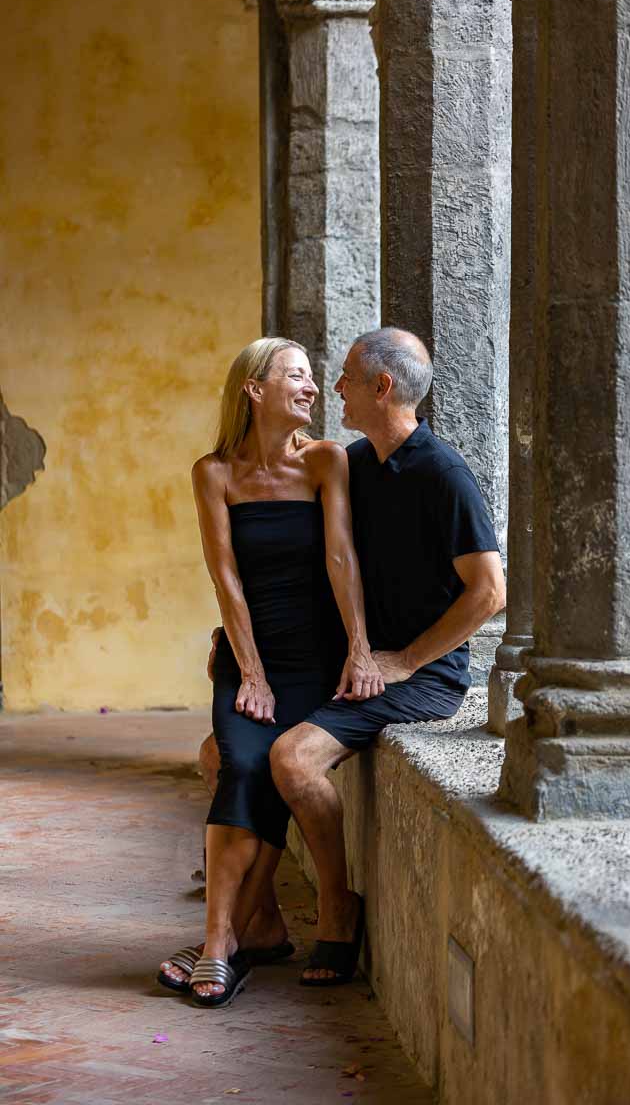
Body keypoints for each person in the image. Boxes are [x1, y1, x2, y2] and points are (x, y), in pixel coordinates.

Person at [205, 328, 506, 986]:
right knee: (219, 754)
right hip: (346, 660)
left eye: (342, 376)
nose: (330, 386)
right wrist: (238, 649)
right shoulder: (357, 463)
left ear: (381, 387)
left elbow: (490, 593)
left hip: (420, 675)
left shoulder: (441, 472)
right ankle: (255, 928)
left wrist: (406, 660)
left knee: (292, 758)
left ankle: (335, 910)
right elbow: (312, 563)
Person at [157, 336, 383, 1007]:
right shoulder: (214, 473)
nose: (312, 388)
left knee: (265, 768)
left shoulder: (326, 461)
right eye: (298, 376)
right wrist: (248, 673)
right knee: (241, 765)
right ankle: (226, 937)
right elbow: (225, 578)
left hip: (313, 657)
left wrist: (360, 649)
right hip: (248, 655)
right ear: (254, 390)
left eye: (315, 377)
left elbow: (342, 561)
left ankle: (222, 944)